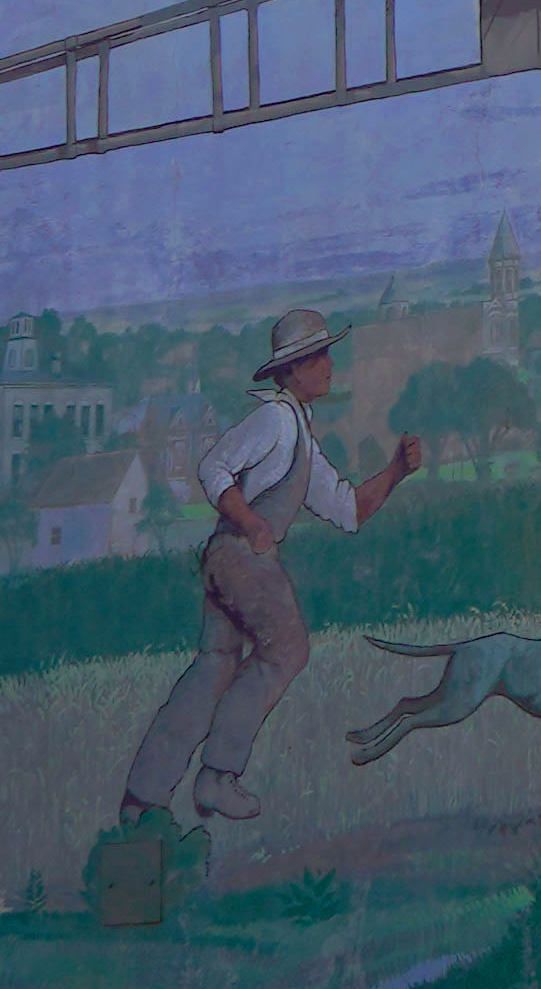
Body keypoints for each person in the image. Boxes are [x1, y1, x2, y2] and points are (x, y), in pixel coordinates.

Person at [116, 309, 427, 826]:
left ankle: (142, 798)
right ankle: (218, 775)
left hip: (225, 557)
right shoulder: (276, 419)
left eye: (327, 353)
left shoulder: (299, 433)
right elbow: (212, 467)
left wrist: (396, 472)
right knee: (287, 647)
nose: (329, 365)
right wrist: (253, 525)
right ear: (292, 371)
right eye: (318, 356)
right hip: (243, 555)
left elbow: (347, 510)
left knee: (214, 666)